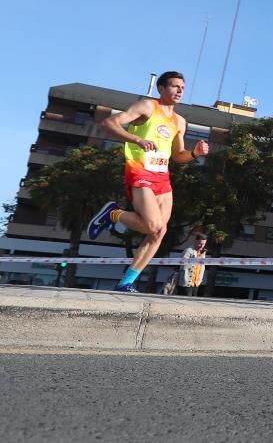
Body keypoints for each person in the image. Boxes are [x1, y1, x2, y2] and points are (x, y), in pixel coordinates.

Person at [87, 71, 209, 292]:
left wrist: (194, 154)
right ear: (161, 89)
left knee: (158, 232)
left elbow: (178, 155)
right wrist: (137, 139)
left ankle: (126, 283)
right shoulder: (146, 107)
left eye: (182, 87)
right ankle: (113, 213)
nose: (180, 90)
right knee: (152, 224)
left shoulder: (180, 122)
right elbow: (109, 123)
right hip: (139, 171)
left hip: (162, 177)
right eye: (174, 86)